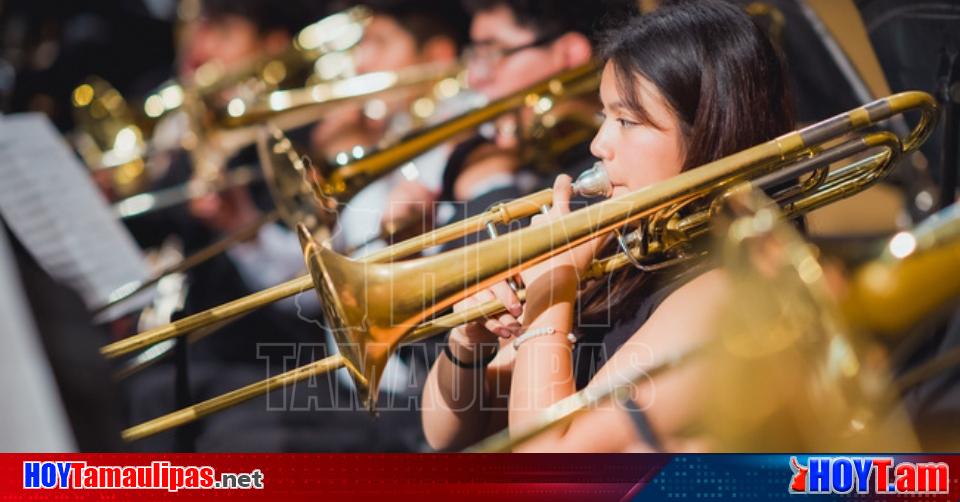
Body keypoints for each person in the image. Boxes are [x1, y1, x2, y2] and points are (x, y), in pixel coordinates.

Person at [421, 0, 795, 452]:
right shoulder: (625, 245)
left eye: (627, 121)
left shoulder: (721, 293)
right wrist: (469, 340)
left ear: (711, 135)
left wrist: (552, 291)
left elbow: (550, 466)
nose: (599, 144)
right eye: (604, 116)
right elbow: (446, 434)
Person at [433, 0, 634, 250]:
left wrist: (489, 187)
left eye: (493, 54)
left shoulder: (606, 164)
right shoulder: (501, 148)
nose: (474, 78)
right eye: (474, 55)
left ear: (570, 54)